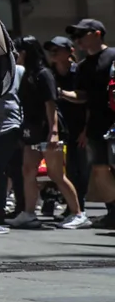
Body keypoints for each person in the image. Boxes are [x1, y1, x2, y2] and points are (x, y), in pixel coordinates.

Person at [10, 37, 87, 229]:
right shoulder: (28, 73)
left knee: (55, 174)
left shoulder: (44, 74)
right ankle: (29, 213)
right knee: (28, 170)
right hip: (31, 129)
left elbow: (50, 104)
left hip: (48, 129)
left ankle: (78, 214)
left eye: (17, 52)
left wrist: (53, 133)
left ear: (25, 53)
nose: (14, 56)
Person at [69, 18, 115, 227]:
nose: (77, 39)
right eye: (75, 36)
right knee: (100, 170)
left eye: (82, 34)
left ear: (97, 34)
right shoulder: (82, 66)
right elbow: (83, 97)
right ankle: (113, 212)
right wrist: (59, 92)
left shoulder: (113, 56)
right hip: (97, 125)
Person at [46, 36, 90, 211]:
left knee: (78, 168)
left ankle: (78, 208)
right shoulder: (50, 73)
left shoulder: (78, 72)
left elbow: (86, 98)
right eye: (51, 50)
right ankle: (65, 205)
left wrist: (86, 130)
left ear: (70, 51)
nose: (53, 53)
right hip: (59, 128)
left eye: (58, 49)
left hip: (78, 128)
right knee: (59, 170)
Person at [0, 60, 25, 225]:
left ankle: (0, 211)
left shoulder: (19, 71)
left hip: (11, 126)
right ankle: (11, 209)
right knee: (11, 170)